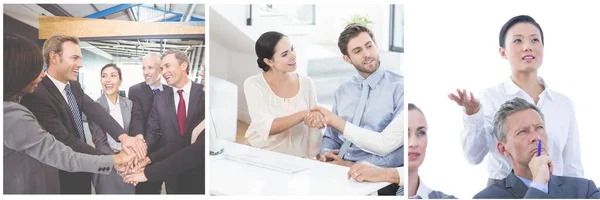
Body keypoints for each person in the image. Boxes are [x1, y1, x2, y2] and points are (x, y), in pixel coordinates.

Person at [449, 15, 583, 186]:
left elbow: (573, 167)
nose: (528, 47)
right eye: (518, 41)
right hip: (503, 192)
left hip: (555, 192)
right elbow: (473, 156)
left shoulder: (563, 104)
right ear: (502, 52)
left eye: (535, 40)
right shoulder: (490, 98)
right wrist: (472, 113)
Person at [3, 32, 134, 194]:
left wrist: (123, 136)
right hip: (61, 172)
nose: (80, 64)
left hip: (83, 167)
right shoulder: (35, 96)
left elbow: (95, 110)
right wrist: (111, 160)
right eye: (75, 58)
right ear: (54, 57)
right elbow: (63, 142)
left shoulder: (73, 86)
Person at [474, 98, 599, 198]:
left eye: (539, 128)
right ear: (503, 149)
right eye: (522, 131)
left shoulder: (584, 190)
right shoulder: (487, 197)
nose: (536, 137)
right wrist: (538, 183)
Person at [317, 23, 403, 168]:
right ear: (347, 58)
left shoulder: (400, 88)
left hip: (377, 174)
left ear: (376, 45)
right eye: (357, 51)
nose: (367, 54)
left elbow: (399, 152)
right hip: (335, 168)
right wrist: (326, 153)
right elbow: (331, 137)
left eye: (369, 46)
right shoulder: (343, 90)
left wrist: (352, 165)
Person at [134, 49, 205, 194]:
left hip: (200, 167)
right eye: (161, 68)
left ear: (183, 65)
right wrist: (141, 154)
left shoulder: (203, 93)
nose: (163, 71)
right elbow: (152, 132)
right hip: (170, 169)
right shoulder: (160, 98)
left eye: (167, 66)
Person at [243, 31, 322, 158]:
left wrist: (317, 154)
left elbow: (314, 126)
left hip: (298, 157)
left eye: (292, 49)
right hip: (262, 153)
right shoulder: (253, 84)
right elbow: (267, 127)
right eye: (285, 54)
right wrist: (303, 114)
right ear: (269, 61)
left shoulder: (306, 83)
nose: (293, 56)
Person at [87, 64, 135, 194]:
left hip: (128, 165)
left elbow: (132, 133)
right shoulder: (95, 107)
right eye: (104, 76)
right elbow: (99, 142)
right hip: (107, 164)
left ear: (120, 81)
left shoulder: (129, 104)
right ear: (101, 81)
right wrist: (118, 159)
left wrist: (129, 157)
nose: (107, 80)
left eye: (113, 76)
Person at [128, 52, 170, 194]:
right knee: (146, 189)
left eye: (150, 68)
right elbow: (137, 116)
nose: (146, 72)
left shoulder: (171, 91)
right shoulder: (135, 90)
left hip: (169, 150)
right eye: (143, 68)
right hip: (146, 150)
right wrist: (140, 140)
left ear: (160, 70)